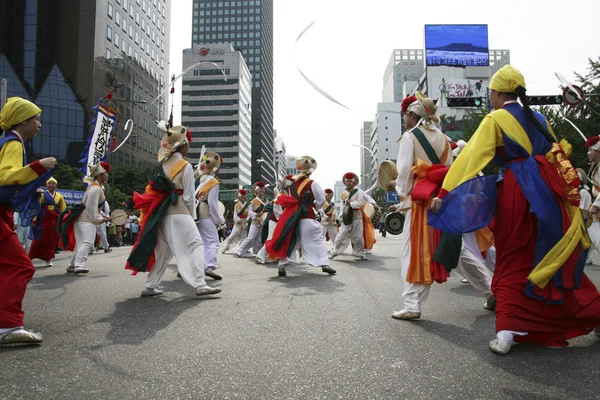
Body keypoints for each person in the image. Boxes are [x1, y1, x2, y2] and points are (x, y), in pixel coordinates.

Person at [430, 65, 600, 355]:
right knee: (549, 255)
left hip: (517, 191)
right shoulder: (540, 118)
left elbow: (471, 158)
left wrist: (445, 192)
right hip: (548, 192)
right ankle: (592, 312)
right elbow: (558, 157)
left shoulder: (495, 119)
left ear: (496, 93)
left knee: (512, 256)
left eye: (491, 92)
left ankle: (507, 331)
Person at [126, 125, 220, 297]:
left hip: (162, 213)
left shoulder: (163, 165)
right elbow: (190, 197)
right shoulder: (185, 166)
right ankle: (200, 284)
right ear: (183, 145)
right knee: (196, 245)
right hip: (180, 212)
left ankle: (150, 286)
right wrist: (192, 217)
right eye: (188, 144)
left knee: (163, 251)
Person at [390, 92, 453, 321]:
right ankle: (487, 287)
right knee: (434, 248)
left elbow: (405, 172)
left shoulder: (410, 136)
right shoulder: (445, 139)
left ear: (411, 115)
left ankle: (411, 304)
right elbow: (449, 168)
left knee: (412, 250)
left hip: (419, 198)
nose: (404, 119)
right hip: (440, 198)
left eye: (405, 115)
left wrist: (401, 192)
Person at [0, 96, 57, 346]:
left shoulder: (7, 141)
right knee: (20, 266)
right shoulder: (13, 142)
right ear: (22, 121)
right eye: (36, 119)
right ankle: (7, 326)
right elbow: (6, 178)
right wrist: (38, 167)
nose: (39, 124)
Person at [265, 155, 335, 277]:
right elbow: (321, 198)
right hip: (306, 214)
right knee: (316, 239)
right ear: (311, 171)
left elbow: (280, 187)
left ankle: (281, 265)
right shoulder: (312, 183)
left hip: (290, 214)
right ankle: (324, 264)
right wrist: (316, 207)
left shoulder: (289, 181)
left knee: (289, 238)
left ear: (298, 168)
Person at [65, 162, 112, 274]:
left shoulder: (95, 187)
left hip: (81, 218)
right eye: (106, 173)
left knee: (81, 243)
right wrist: (99, 219)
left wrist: (104, 216)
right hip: (87, 219)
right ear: (100, 175)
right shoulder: (95, 189)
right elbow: (91, 207)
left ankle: (72, 265)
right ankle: (79, 265)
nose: (107, 175)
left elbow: (94, 207)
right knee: (88, 242)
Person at [195, 151, 225, 280]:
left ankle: (194, 266)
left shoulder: (199, 180)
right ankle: (209, 266)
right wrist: (219, 220)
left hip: (194, 212)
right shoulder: (213, 182)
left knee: (200, 242)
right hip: (205, 213)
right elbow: (212, 203)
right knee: (212, 241)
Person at [28, 177, 67, 266]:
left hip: (54, 221)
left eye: (53, 183)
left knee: (51, 241)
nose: (51, 185)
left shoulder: (59, 196)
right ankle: (30, 258)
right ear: (47, 185)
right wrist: (34, 220)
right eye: (49, 183)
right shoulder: (42, 195)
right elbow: (36, 208)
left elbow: (63, 209)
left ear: (56, 186)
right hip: (43, 221)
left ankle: (48, 259)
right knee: (38, 240)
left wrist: (64, 220)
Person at [235, 181, 267, 257]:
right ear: (256, 191)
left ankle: (257, 252)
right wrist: (256, 215)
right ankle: (240, 250)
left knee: (259, 239)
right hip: (255, 222)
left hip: (262, 222)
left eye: (263, 189)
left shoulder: (265, 200)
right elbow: (250, 212)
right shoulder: (253, 201)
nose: (262, 191)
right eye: (260, 189)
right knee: (251, 238)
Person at [221, 189, 249, 253]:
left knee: (245, 237)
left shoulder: (247, 205)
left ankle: (243, 249)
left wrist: (246, 220)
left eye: (244, 197)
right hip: (238, 224)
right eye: (241, 197)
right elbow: (235, 216)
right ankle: (225, 248)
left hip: (245, 223)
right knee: (232, 236)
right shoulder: (236, 205)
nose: (242, 198)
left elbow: (249, 214)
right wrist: (239, 220)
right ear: (239, 197)